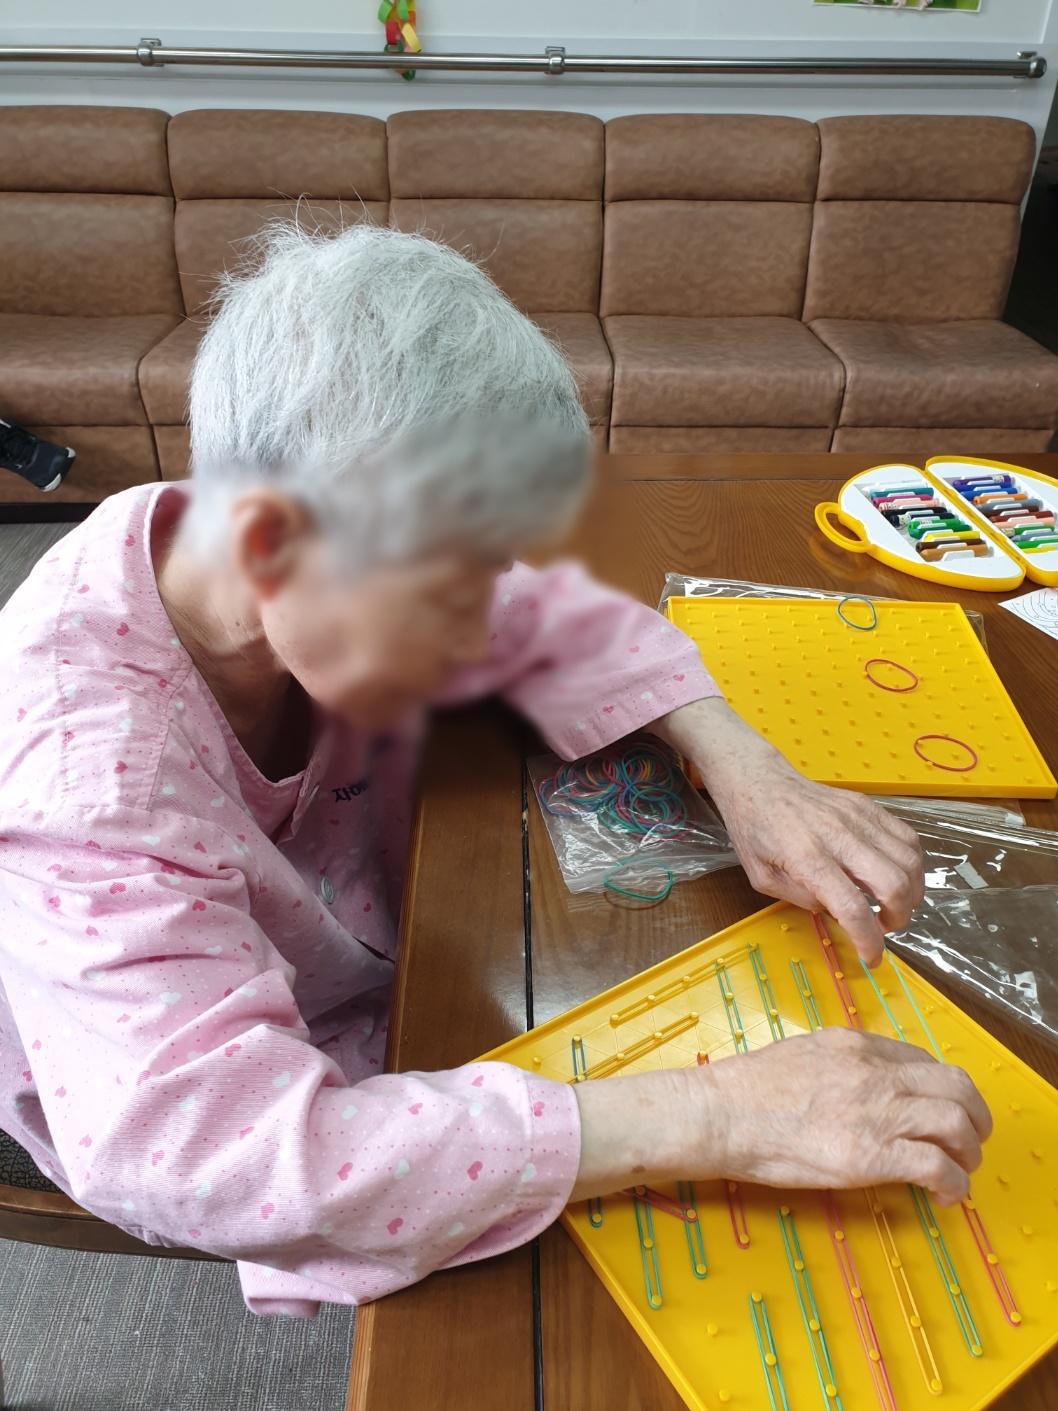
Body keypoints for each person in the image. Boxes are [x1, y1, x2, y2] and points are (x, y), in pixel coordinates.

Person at [0, 226, 990, 1316]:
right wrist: (722, 1115)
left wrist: (747, 767)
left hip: (382, 954)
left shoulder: (255, 528)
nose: (487, 623)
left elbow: (544, 611)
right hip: (175, 1070)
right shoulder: (85, 779)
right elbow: (219, 1150)